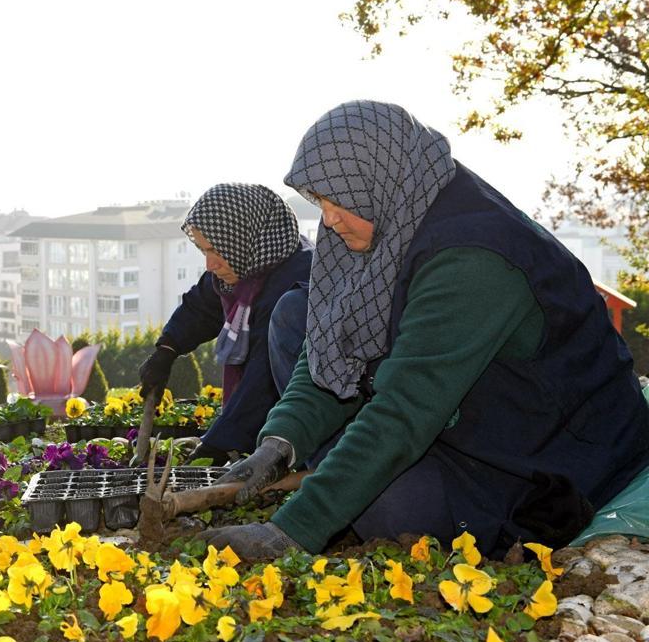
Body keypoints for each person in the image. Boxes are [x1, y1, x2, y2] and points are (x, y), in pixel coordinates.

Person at [201, 100, 649, 560]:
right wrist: (281, 441)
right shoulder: (393, 212)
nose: (329, 219)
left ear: (379, 181)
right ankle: (352, 472)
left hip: (548, 452)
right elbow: (331, 344)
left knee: (389, 510)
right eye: (320, 202)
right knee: (297, 312)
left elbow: (406, 407)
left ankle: (355, 479)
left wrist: (291, 531)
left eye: (340, 201)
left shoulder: (475, 258)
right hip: (470, 411)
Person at [138, 183, 313, 464]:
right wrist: (166, 350)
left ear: (244, 239)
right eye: (202, 250)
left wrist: (218, 445)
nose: (209, 264)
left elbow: (263, 380)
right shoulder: (245, 263)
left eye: (214, 250)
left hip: (304, 431)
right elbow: (200, 307)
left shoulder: (292, 287)